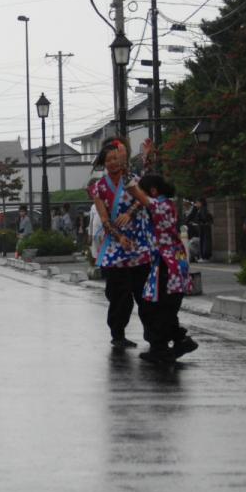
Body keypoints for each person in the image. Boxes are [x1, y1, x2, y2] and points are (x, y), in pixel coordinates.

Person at [89, 137, 154, 349]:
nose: (113, 162)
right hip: (116, 245)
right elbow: (104, 218)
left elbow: (143, 195)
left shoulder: (133, 179)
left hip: (138, 244)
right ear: (103, 162)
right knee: (119, 296)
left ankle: (153, 334)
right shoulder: (98, 187)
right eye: (109, 159)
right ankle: (118, 334)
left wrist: (130, 213)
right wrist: (119, 237)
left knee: (144, 295)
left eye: (116, 158)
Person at [129, 174, 198, 364]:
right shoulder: (164, 205)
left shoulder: (163, 206)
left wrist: (123, 171)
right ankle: (178, 341)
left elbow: (138, 194)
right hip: (167, 264)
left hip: (169, 266)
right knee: (157, 307)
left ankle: (162, 348)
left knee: (158, 308)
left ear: (152, 191)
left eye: (144, 192)